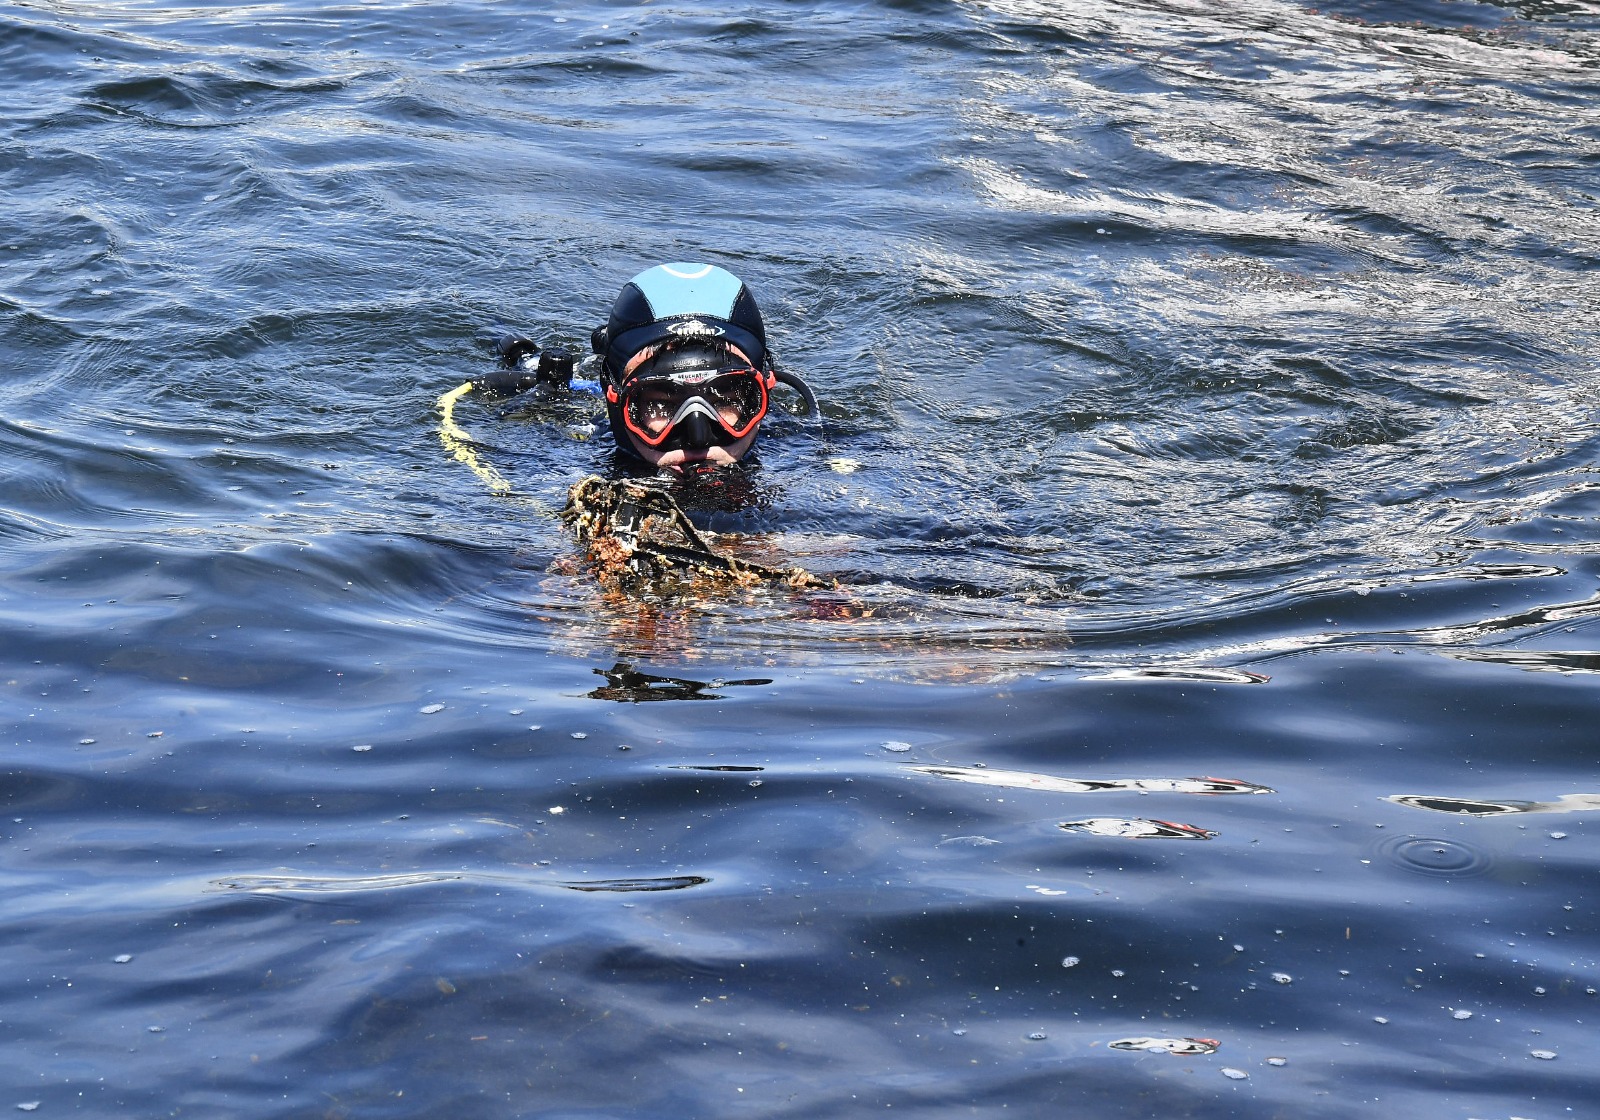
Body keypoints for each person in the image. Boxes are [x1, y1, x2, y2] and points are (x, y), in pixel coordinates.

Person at [478, 262, 817, 476]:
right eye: (659, 404)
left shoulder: (811, 453)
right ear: (615, 399)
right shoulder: (562, 463)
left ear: (765, 393)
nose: (697, 436)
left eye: (728, 397)